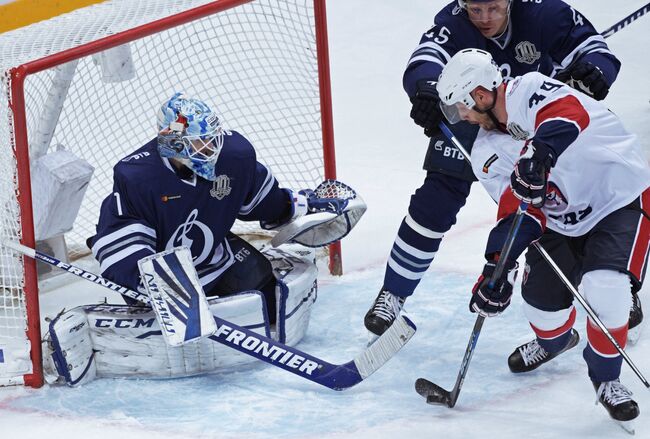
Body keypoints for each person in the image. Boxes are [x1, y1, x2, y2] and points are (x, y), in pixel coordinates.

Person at [362, 0, 644, 337]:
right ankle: (394, 291)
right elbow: (426, 57)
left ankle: (615, 281)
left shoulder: (544, 12)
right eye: (474, 9)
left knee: (585, 189)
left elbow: (594, 48)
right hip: (475, 118)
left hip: (542, 117)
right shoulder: (452, 22)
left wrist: (595, 70)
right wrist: (424, 88)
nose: (483, 18)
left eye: (493, 8)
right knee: (436, 200)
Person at [437, 48, 649, 423]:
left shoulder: (529, 90)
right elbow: (517, 209)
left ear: (481, 94)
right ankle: (557, 342)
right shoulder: (485, 151)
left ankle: (606, 381)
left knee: (607, 292)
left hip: (618, 197)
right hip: (560, 220)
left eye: (461, 107)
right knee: (541, 310)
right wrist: (496, 267)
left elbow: (569, 116)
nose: (462, 117)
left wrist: (538, 155)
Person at [90, 92, 347, 318]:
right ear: (173, 141)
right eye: (200, 142)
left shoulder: (234, 157)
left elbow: (262, 199)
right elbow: (119, 241)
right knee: (183, 333)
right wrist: (151, 281)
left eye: (212, 138)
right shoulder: (138, 177)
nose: (211, 148)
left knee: (272, 304)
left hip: (215, 260)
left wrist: (299, 208)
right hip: (161, 281)